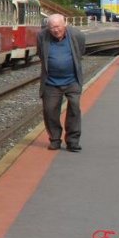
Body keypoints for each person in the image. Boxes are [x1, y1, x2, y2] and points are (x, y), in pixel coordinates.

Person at [36, 13, 85, 152]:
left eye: (58, 27)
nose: (55, 30)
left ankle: (73, 141)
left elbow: (80, 52)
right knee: (50, 111)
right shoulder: (42, 36)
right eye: (51, 28)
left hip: (72, 80)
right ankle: (55, 139)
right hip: (51, 82)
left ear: (65, 25)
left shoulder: (77, 35)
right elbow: (41, 55)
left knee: (75, 108)